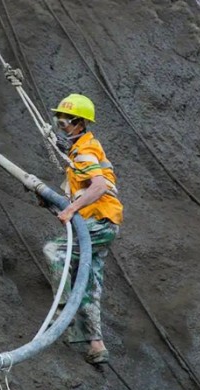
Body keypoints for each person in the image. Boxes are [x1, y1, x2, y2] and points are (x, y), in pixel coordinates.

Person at [43, 93, 123, 365]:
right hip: (104, 221)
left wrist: (70, 210)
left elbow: (99, 186)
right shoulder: (78, 151)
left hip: (99, 220)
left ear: (79, 123)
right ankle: (96, 345)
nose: (60, 126)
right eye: (58, 121)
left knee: (54, 251)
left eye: (64, 123)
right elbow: (82, 191)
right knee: (89, 281)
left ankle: (62, 313)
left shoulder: (84, 151)